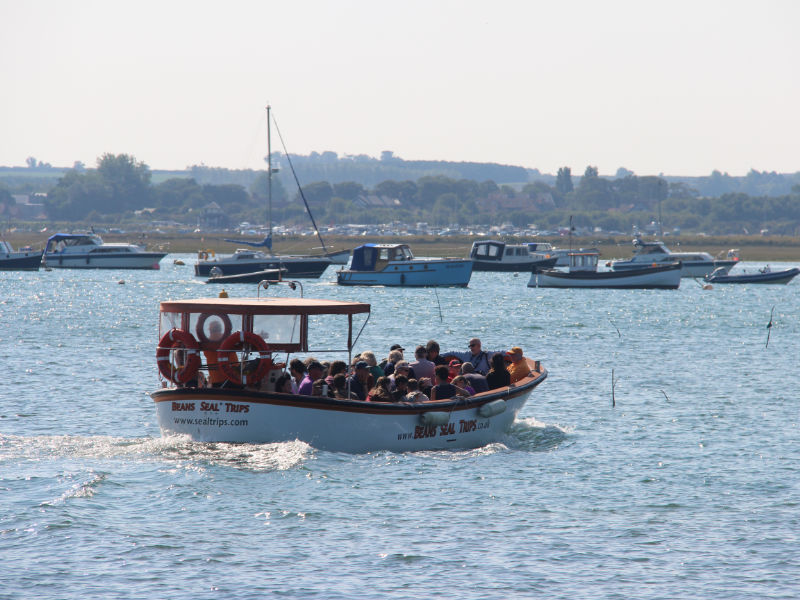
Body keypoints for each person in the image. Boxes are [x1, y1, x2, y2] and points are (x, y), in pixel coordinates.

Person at [202, 320, 227, 387]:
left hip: (215, 379)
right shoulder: (228, 339)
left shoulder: (207, 341)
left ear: (210, 330)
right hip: (231, 378)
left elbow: (206, 354)